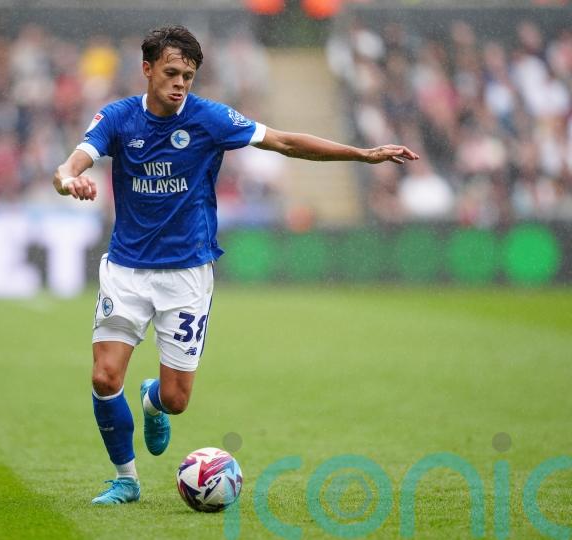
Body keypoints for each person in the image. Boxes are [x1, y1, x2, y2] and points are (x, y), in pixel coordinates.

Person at [53, 25, 418, 505]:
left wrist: (361, 154)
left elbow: (284, 142)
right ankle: (126, 478)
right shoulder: (119, 118)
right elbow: (73, 162)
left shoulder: (210, 119)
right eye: (171, 72)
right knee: (103, 377)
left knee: (177, 399)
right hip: (126, 268)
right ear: (147, 70)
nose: (180, 83)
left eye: (188, 75)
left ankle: (152, 401)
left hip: (186, 274)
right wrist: (66, 180)